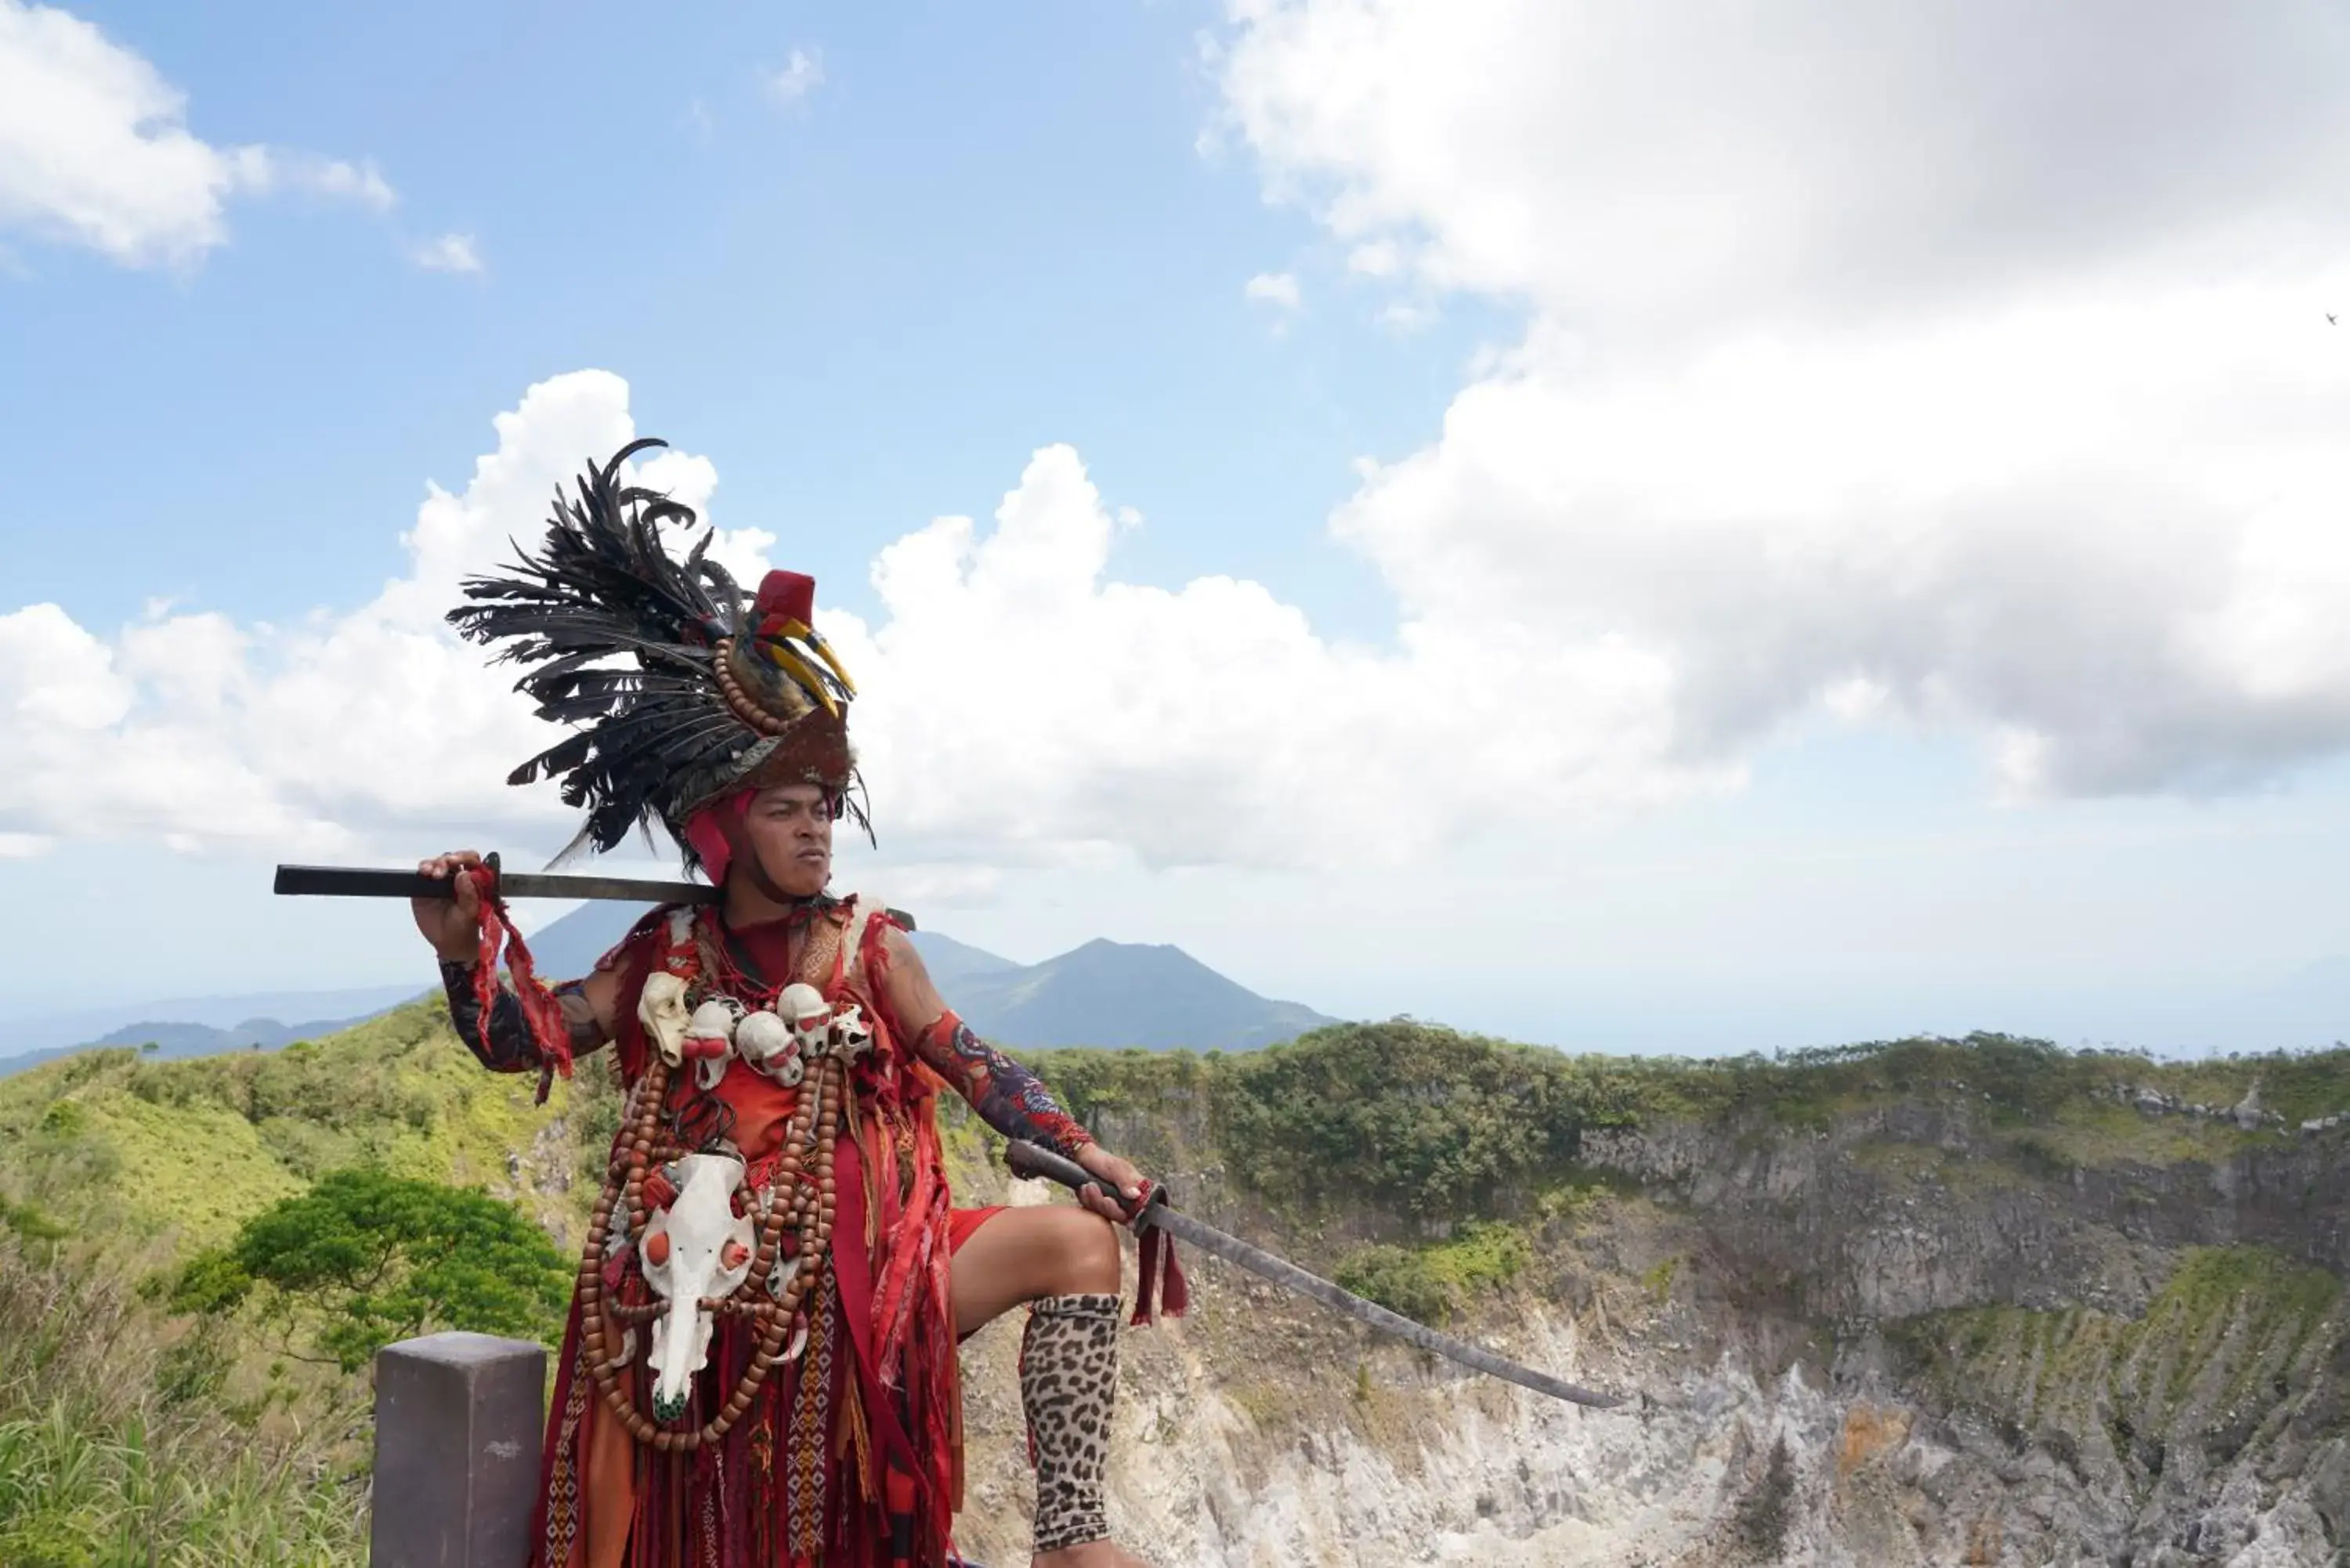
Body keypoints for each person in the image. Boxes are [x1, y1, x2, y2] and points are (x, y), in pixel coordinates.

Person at [410, 439, 1174, 1568]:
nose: (818, 826)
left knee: (1077, 1241)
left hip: (881, 1281)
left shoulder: (869, 944)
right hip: (695, 1286)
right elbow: (521, 1036)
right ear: (725, 825)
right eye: (786, 806)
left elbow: (972, 1064)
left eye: (824, 803)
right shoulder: (664, 949)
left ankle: (1071, 1534)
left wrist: (1078, 1145)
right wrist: (460, 947)